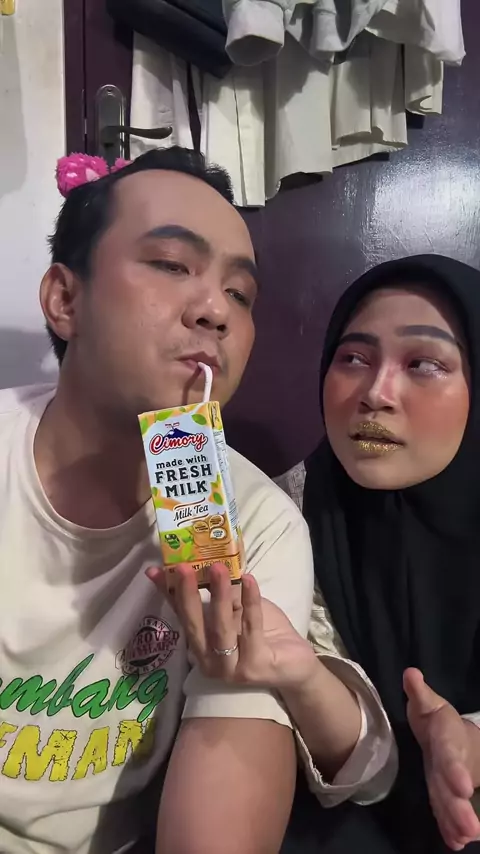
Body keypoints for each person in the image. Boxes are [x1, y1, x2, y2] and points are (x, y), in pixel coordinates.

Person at [0, 147, 316, 854]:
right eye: (172, 265)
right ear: (65, 300)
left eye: (241, 294)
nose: (216, 311)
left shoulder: (261, 525)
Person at [155, 255, 480, 853]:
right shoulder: (286, 515)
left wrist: (471, 740)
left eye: (424, 365)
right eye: (353, 358)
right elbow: (370, 779)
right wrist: (303, 675)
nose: (375, 394)